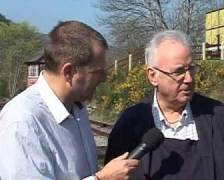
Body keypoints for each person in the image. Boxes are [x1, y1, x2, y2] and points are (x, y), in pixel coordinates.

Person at [104, 30, 224, 180]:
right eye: (179, 71)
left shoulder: (222, 118)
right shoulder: (130, 123)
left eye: (191, 69)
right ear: (153, 76)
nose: (189, 79)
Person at [0, 21, 138, 180]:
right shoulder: (23, 122)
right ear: (69, 72)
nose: (104, 78)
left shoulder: (77, 108)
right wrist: (102, 178)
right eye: (97, 72)